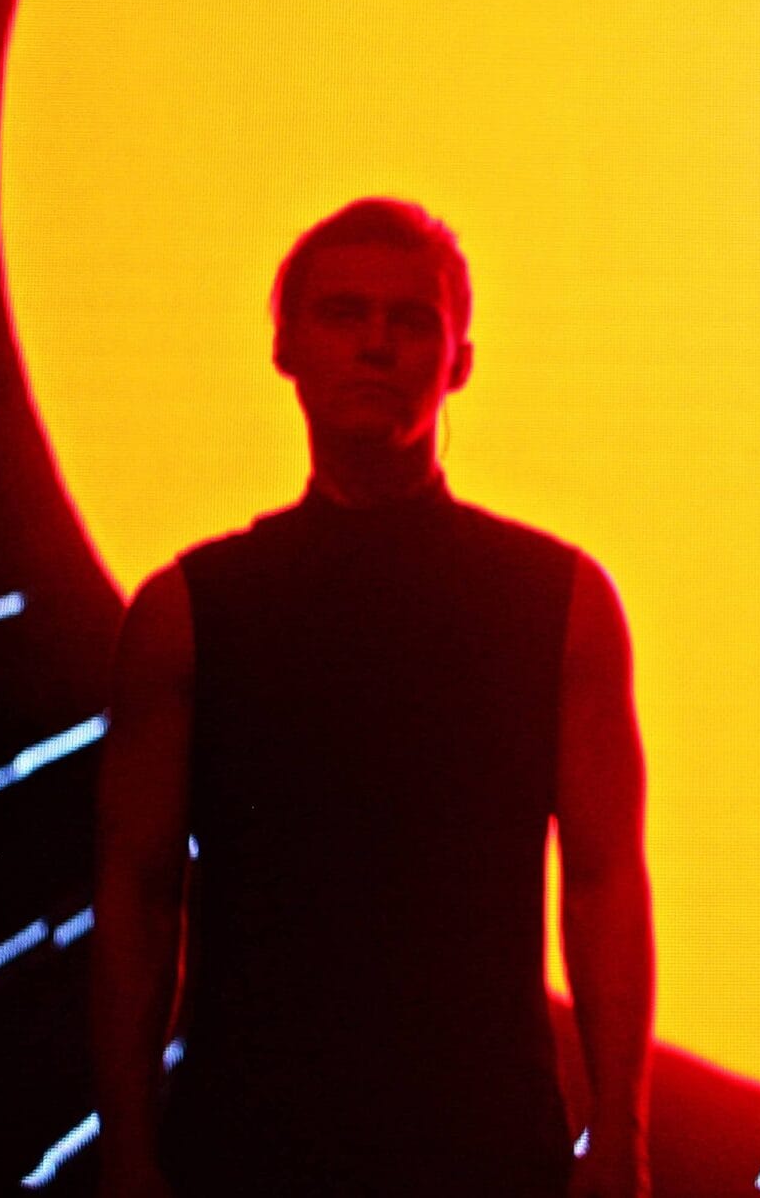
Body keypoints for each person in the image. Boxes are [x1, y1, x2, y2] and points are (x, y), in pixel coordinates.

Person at [92, 199, 654, 1198]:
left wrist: (621, 1130)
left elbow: (606, 877)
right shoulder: (188, 613)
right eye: (345, 313)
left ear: (458, 360)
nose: (377, 343)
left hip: (481, 1140)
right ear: (287, 347)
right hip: (249, 1138)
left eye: (410, 320)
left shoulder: (558, 603)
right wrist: (127, 1146)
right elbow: (137, 892)